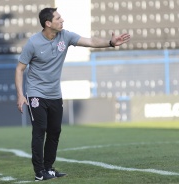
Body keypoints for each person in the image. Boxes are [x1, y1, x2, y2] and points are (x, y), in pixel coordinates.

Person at [15, 7, 130, 181]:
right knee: (40, 130)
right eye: (58, 18)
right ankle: (39, 172)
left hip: (55, 94)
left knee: (55, 131)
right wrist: (20, 94)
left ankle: (49, 168)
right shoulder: (33, 43)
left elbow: (90, 41)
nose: (62, 20)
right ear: (48, 23)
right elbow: (20, 69)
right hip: (36, 93)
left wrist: (110, 43)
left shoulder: (65, 36)